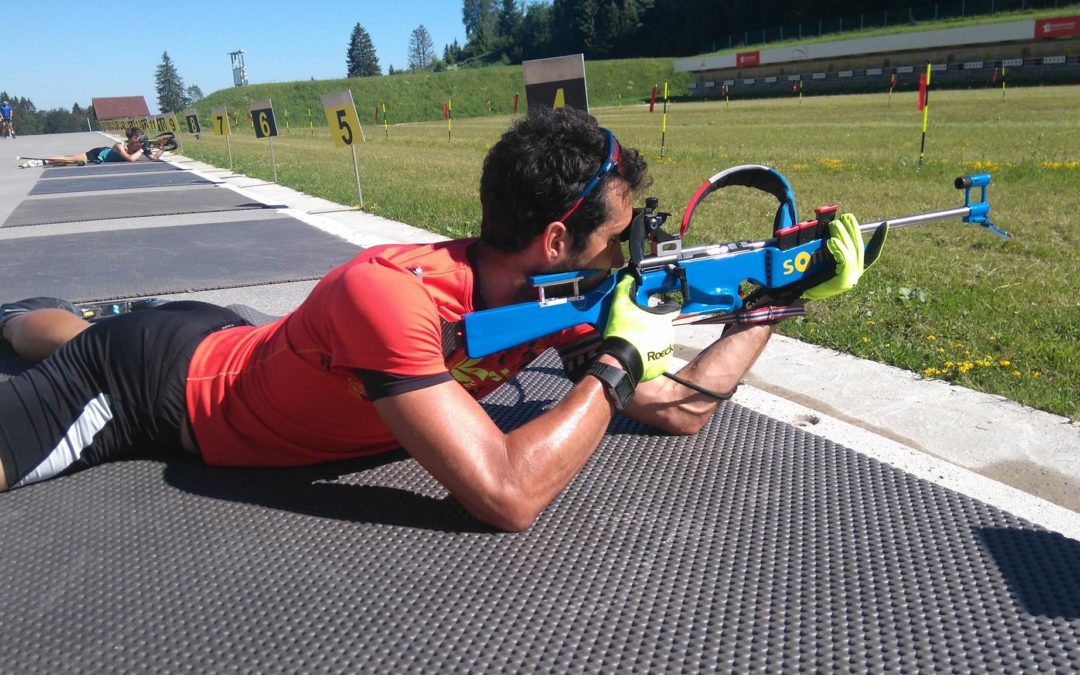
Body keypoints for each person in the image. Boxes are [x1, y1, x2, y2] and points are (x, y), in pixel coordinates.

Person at [0, 108, 883, 531]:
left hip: (225, 334)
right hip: (154, 390)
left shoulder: (551, 294)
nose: (627, 257)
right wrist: (615, 361)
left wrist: (773, 300)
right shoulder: (389, 297)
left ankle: (52, 315)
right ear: (553, 238)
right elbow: (506, 494)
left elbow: (678, 409)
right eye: (617, 238)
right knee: (74, 351)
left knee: (80, 325)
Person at [28, 127, 164, 166]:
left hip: (102, 154)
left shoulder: (139, 148)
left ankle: (51, 162)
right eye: (140, 142)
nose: (142, 144)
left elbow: (153, 158)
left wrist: (163, 149)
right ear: (133, 140)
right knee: (72, 159)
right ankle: (43, 161)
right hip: (97, 154)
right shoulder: (119, 146)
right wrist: (141, 149)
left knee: (66, 163)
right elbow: (131, 159)